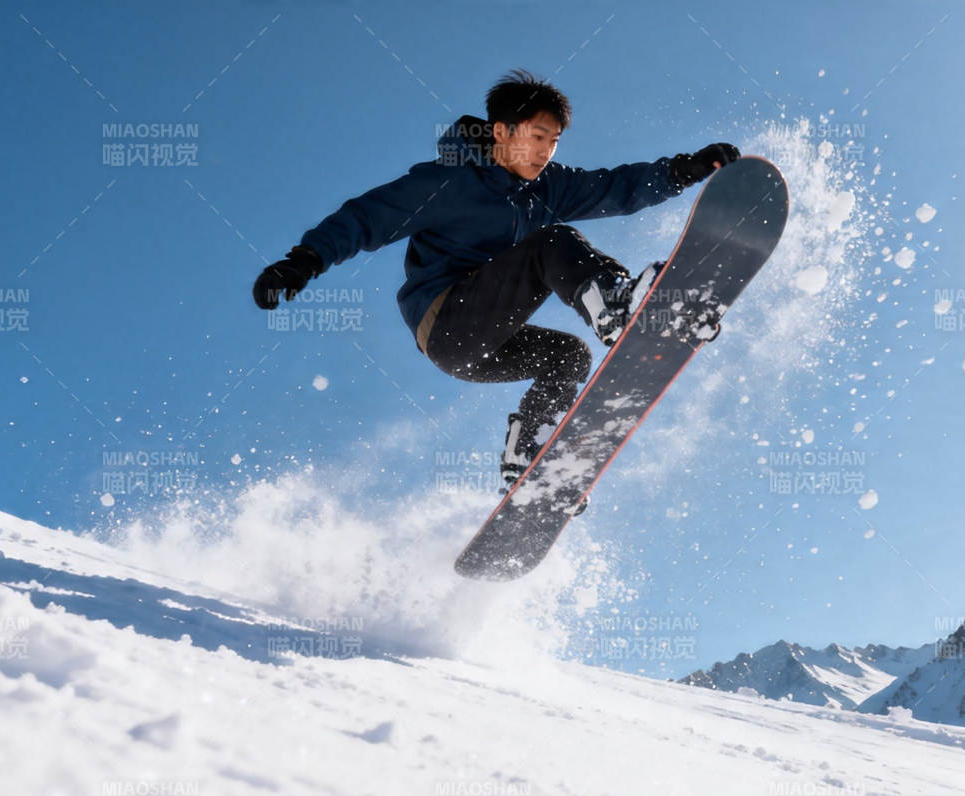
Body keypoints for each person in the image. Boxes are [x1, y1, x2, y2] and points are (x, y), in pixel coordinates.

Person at [253, 69, 739, 489]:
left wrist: (685, 170)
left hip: (483, 347)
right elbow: (367, 218)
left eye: (553, 141)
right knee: (551, 241)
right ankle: (616, 307)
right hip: (446, 323)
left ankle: (530, 454)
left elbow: (616, 187)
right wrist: (303, 262)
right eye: (537, 136)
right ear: (502, 131)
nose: (545, 151)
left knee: (568, 356)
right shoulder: (448, 181)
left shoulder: (548, 187)